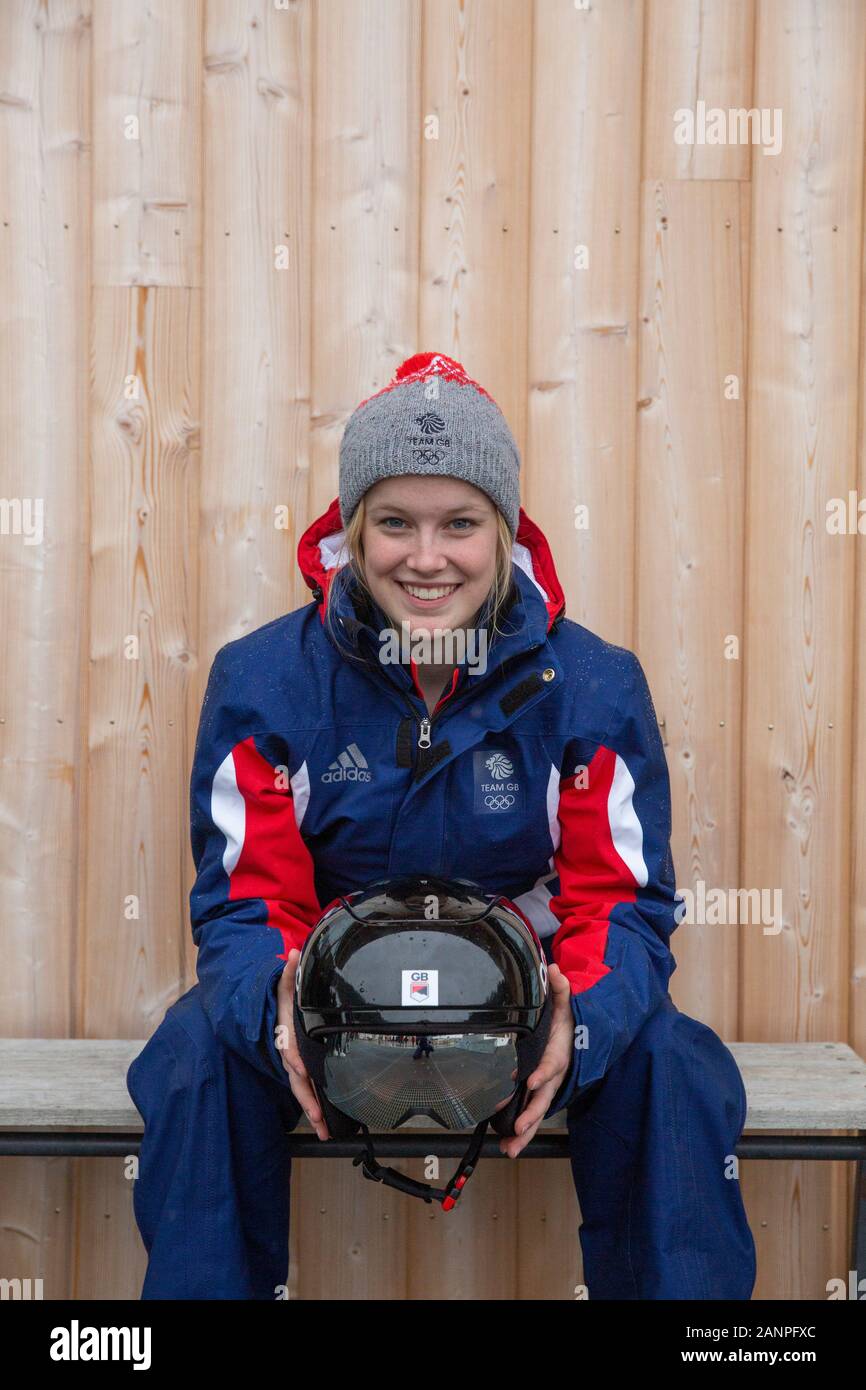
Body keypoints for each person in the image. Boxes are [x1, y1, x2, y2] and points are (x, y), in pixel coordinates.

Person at [126, 350, 757, 1300]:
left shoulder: (591, 685)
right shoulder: (262, 683)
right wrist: (280, 1020)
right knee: (190, 1057)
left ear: (504, 531)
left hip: (529, 1010)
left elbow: (621, 903)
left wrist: (575, 1026)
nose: (427, 559)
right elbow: (245, 902)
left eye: (459, 523)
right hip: (334, 1017)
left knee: (672, 1062)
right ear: (352, 531)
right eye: (395, 524)